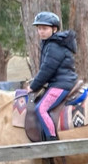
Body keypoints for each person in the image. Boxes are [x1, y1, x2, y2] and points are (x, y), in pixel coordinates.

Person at [29, 11, 78, 141]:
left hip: (61, 84)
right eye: (39, 29)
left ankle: (52, 141)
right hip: (58, 82)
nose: (41, 32)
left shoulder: (54, 45)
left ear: (54, 29)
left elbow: (47, 69)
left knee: (41, 108)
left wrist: (33, 86)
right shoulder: (49, 43)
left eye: (44, 28)